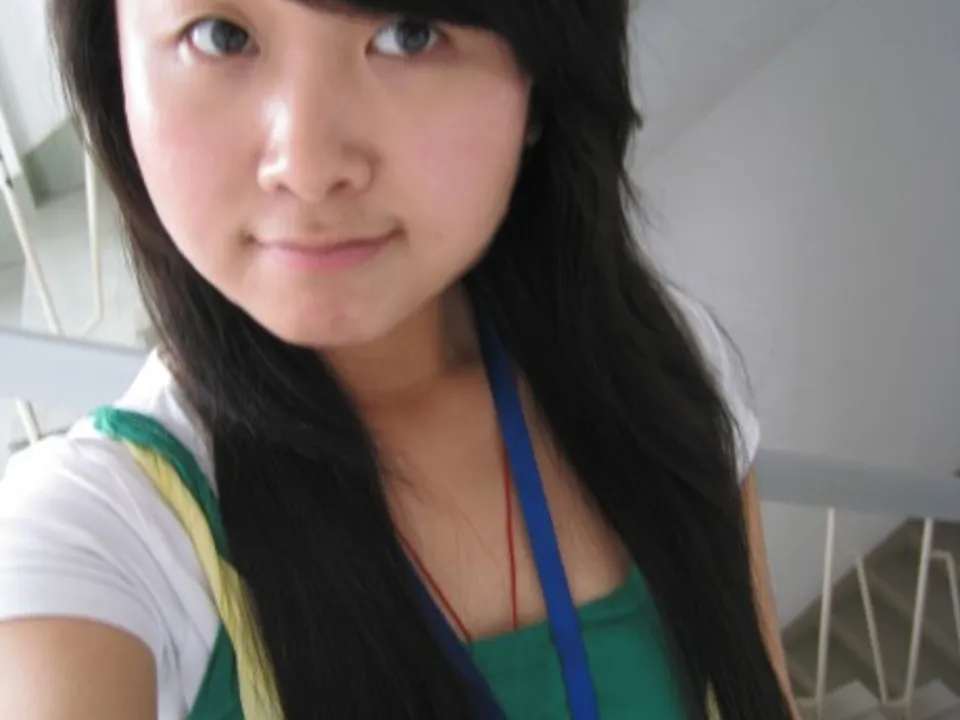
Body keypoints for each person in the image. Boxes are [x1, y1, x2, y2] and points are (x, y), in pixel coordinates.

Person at [0, 0, 799, 718]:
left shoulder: (664, 373)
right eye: (221, 36)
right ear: (115, 66)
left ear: (544, 72)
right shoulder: (93, 538)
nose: (307, 166)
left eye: (410, 33)